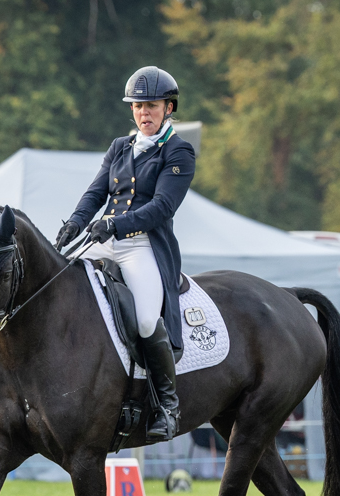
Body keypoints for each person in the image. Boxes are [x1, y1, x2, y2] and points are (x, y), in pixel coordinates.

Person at [54, 66, 195, 442]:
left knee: (147, 321)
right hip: (104, 240)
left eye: (150, 106)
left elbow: (163, 206)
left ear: (168, 107)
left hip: (142, 246)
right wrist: (74, 223)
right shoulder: (120, 146)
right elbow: (95, 193)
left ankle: (167, 405)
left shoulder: (179, 150)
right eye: (137, 106)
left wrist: (115, 226)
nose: (143, 113)